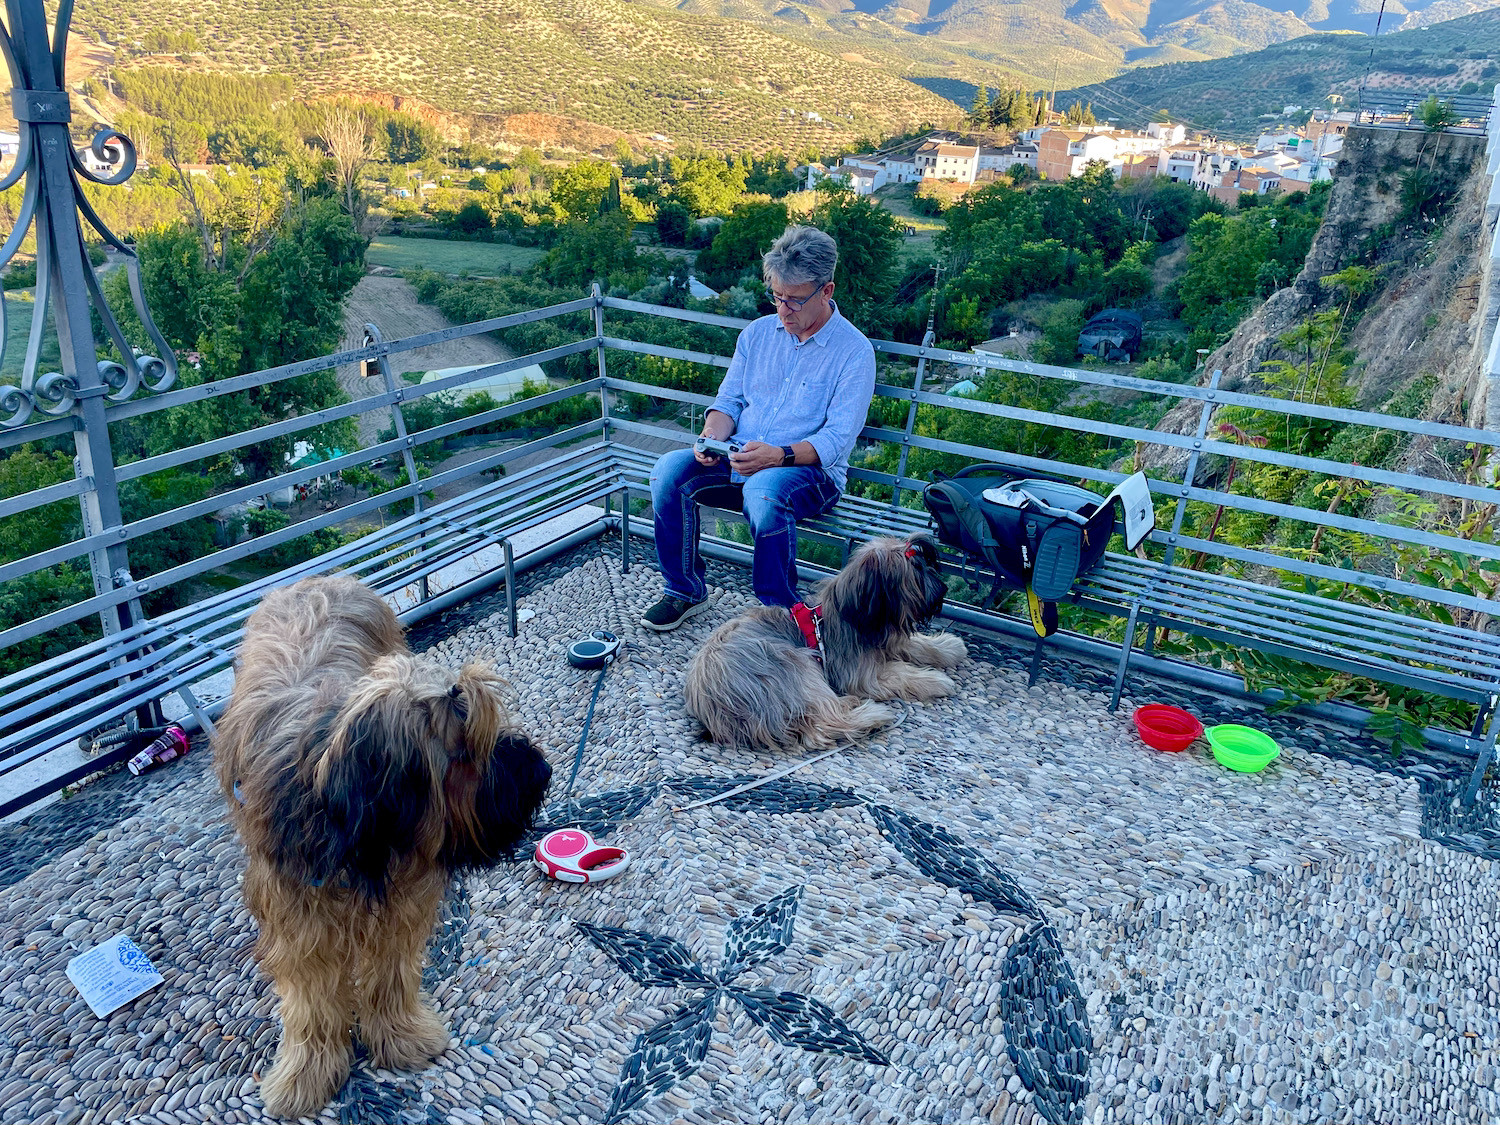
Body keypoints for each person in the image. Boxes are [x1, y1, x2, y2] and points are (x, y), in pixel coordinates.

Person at [642, 225, 876, 632]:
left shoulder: (854, 353)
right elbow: (728, 403)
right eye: (777, 297)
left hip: (810, 474)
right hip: (738, 456)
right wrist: (711, 436)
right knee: (667, 471)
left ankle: (781, 614)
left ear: (826, 291)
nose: (783, 310)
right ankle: (684, 591)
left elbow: (837, 440)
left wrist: (777, 457)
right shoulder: (757, 334)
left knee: (764, 490)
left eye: (794, 300)